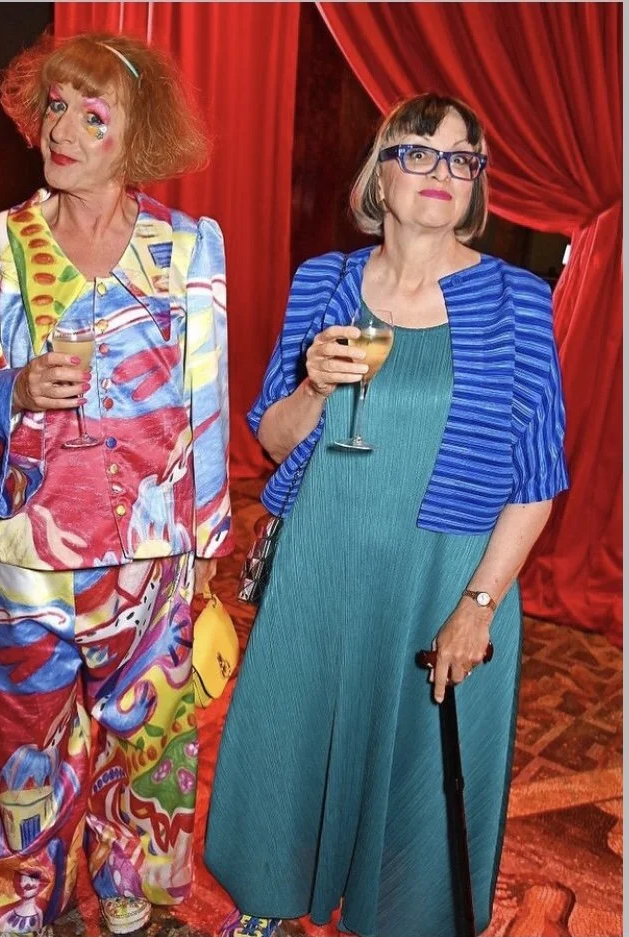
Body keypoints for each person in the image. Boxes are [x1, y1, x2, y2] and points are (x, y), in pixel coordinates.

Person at [204, 93, 568, 937]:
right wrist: (313, 385)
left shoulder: (515, 300)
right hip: (323, 562)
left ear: (476, 185)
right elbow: (271, 436)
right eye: (420, 151)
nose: (442, 172)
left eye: (462, 158)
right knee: (290, 732)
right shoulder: (323, 283)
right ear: (381, 172)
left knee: (416, 770)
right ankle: (270, 898)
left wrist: (477, 607)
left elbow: (538, 477)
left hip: (442, 574)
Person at [0, 32, 232, 937]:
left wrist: (207, 543)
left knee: (151, 738)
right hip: (35, 557)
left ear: (135, 140)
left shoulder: (186, 252)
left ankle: (133, 887)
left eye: (92, 115)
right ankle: (25, 899)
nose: (62, 129)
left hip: (153, 555)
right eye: (56, 106)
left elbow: (205, 409)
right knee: (28, 743)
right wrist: (13, 389)